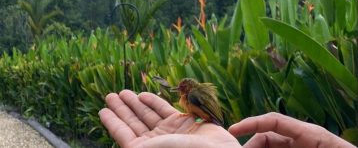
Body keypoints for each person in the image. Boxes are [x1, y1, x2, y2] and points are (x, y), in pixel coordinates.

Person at [99, 90, 356, 148]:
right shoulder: (189, 102)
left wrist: (203, 121)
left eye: (181, 91)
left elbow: (204, 111)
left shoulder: (194, 97)